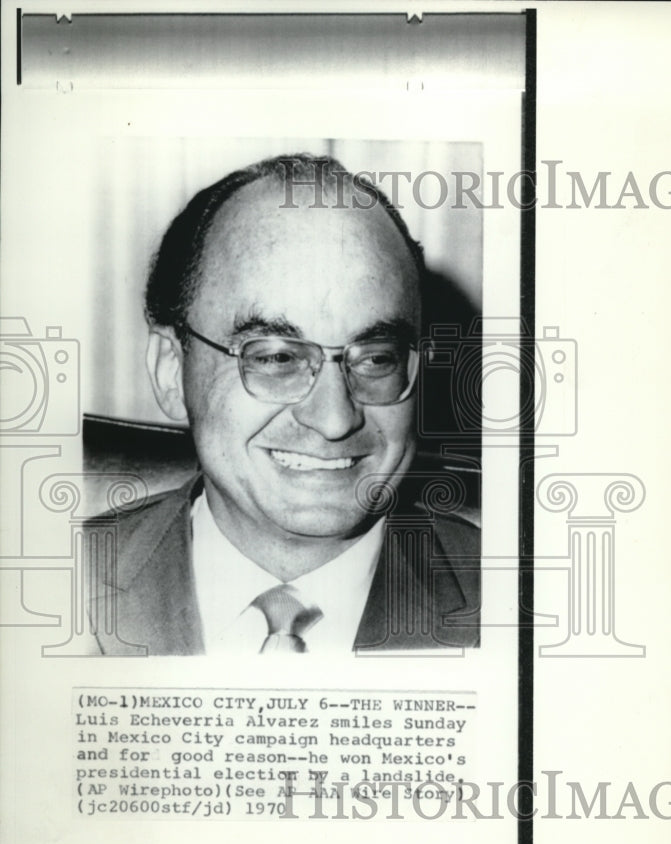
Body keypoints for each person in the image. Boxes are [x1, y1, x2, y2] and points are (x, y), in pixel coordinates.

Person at [85, 153, 480, 654]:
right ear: (170, 369)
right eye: (275, 358)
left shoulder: (514, 603)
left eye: (377, 358)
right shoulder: (55, 587)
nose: (335, 419)